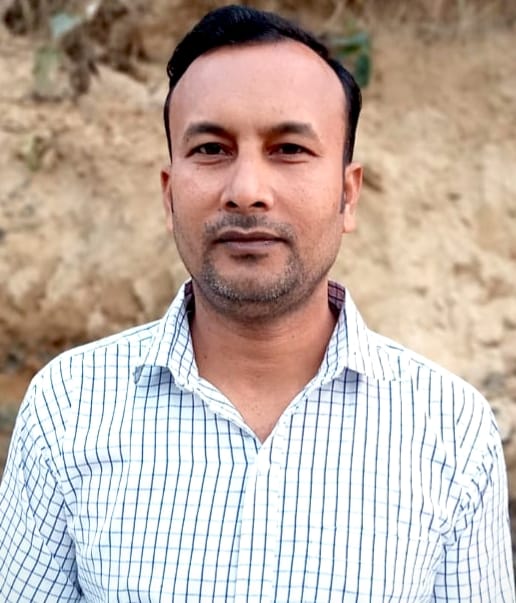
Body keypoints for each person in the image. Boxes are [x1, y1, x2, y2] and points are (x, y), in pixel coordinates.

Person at [0, 4, 514, 601]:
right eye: (211, 149)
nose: (246, 191)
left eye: (289, 149)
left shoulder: (450, 429)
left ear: (347, 196)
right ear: (169, 195)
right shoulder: (68, 408)